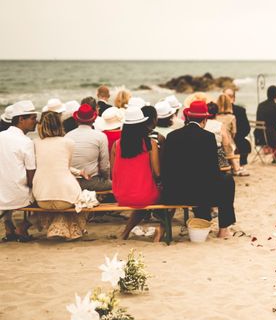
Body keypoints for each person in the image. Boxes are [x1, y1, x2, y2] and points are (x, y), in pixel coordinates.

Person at [162, 100, 236, 238]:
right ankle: (223, 229)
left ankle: (204, 219)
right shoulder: (208, 137)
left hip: (174, 193)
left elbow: (167, 168)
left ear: (188, 117)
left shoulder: (172, 136)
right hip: (200, 194)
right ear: (205, 119)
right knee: (227, 180)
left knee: (200, 181)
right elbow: (212, 171)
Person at [32, 111, 87, 240]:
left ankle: (58, 229)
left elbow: (49, 164)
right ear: (59, 125)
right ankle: (65, 230)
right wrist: (79, 172)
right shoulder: (69, 142)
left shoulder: (35, 143)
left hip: (41, 198)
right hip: (65, 199)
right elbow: (65, 167)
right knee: (78, 194)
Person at [111, 107, 162, 241]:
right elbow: (157, 173)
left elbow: (113, 173)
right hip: (143, 196)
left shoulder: (116, 145)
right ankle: (162, 228)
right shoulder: (150, 144)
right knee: (168, 195)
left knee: (140, 198)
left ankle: (125, 232)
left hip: (121, 195)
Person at [0, 101, 38, 241]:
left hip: (1, 195)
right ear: (21, 119)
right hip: (19, 197)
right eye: (33, 118)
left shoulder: (1, 136)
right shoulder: (26, 142)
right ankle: (22, 228)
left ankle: (9, 226)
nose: (36, 121)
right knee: (48, 198)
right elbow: (30, 176)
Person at [66, 103, 112, 191]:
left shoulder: (68, 136)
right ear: (93, 120)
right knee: (115, 185)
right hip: (92, 181)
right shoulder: (100, 136)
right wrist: (106, 179)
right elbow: (104, 167)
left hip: (71, 182)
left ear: (77, 120)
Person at [206, 102, 249, 176]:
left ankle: (236, 168)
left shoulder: (203, 124)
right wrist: (230, 154)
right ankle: (236, 168)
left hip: (204, 154)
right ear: (216, 113)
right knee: (228, 149)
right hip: (216, 156)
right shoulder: (219, 125)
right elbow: (226, 143)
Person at [224, 88, 251, 166]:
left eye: (229, 96)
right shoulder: (216, 110)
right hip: (221, 141)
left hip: (237, 138)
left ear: (234, 98)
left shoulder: (240, 110)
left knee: (244, 144)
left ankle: (240, 165)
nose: (227, 98)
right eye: (225, 96)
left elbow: (246, 128)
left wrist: (234, 137)